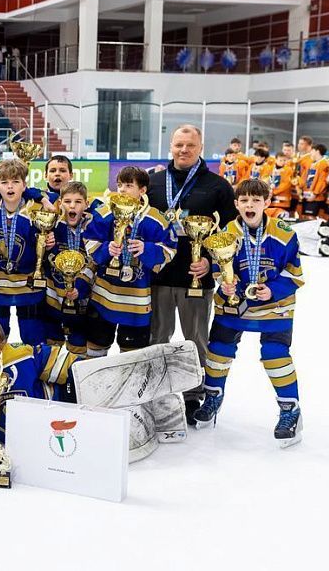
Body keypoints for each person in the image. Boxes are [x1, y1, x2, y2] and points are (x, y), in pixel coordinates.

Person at [195, 179, 304, 447]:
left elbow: (295, 273)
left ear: (267, 203)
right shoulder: (227, 233)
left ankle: (290, 410)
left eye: (256, 200)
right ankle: (213, 397)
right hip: (236, 303)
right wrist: (226, 281)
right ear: (236, 204)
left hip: (274, 306)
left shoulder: (284, 233)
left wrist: (273, 290)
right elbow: (220, 268)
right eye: (244, 200)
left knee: (275, 354)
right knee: (218, 349)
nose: (250, 205)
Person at [147, 124, 238, 425]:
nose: (183, 150)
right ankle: (156, 394)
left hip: (196, 279)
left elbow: (230, 235)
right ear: (170, 146)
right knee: (157, 338)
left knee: (196, 340)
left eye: (190, 145)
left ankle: (193, 395)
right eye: (178, 144)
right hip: (158, 277)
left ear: (200, 148)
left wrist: (211, 264)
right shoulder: (154, 182)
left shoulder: (218, 186)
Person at [85, 166, 176, 358]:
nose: (122, 190)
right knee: (95, 346)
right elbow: (88, 240)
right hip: (103, 296)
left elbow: (170, 249)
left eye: (128, 185)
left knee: (132, 355)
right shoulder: (105, 212)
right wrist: (105, 249)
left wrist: (147, 249)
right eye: (119, 185)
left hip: (136, 301)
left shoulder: (156, 219)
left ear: (142, 190)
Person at [0, 318, 81, 449]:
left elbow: (73, 366)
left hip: (48, 430)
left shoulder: (22, 356)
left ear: (2, 344)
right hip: (1, 445)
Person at [0, 159, 48, 345]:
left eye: (16, 182)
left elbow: (57, 198)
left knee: (33, 336)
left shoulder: (37, 211)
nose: (10, 186)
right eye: (4, 182)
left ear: (24, 185)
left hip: (29, 286)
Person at [43, 181, 98, 359]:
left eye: (78, 202)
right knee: (52, 353)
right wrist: (45, 246)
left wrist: (80, 288)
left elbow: (95, 262)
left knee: (79, 353)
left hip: (83, 304)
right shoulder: (51, 226)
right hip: (54, 300)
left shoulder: (93, 228)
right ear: (60, 203)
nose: (72, 206)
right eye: (67, 201)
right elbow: (41, 259)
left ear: (86, 204)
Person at [299, 144, 329, 219]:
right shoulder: (313, 163)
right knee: (305, 217)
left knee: (311, 218)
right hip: (307, 194)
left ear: (317, 151)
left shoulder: (323, 163)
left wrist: (315, 193)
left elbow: (322, 181)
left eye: (312, 151)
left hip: (316, 196)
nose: (310, 153)